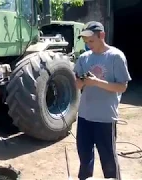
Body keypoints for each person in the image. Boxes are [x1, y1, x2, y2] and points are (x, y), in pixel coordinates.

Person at [74, 21, 132, 180]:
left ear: (102, 36)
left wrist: (97, 82)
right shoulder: (84, 58)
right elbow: (77, 83)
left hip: (105, 118)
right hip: (85, 116)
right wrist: (81, 81)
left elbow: (122, 87)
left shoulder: (115, 56)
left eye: (91, 41)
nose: (88, 45)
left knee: (108, 160)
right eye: (86, 42)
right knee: (84, 157)